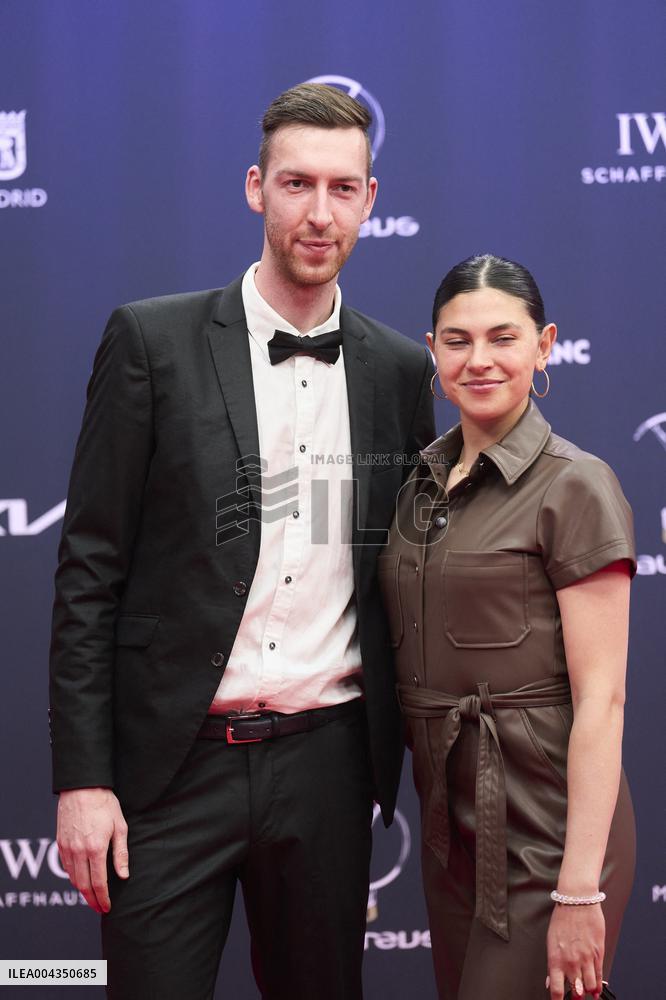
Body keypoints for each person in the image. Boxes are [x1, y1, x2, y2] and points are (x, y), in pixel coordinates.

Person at [49, 82, 435, 1000]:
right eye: (297, 183)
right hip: (169, 768)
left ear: (371, 202)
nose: (319, 212)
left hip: (328, 765)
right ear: (256, 187)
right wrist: (83, 781)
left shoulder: (399, 370)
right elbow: (90, 572)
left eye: (343, 188)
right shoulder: (151, 342)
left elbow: (405, 571)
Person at [378, 254, 636, 1000]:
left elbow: (602, 700)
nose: (479, 360)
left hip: (550, 832)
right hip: (452, 832)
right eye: (457, 341)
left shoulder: (575, 484)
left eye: (503, 337)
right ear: (433, 352)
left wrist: (579, 889)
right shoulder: (417, 484)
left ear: (544, 346)